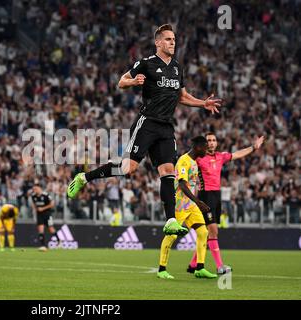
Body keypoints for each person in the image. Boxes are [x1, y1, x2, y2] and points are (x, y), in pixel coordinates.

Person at [67, 24, 221, 236]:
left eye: (174, 39)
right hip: (147, 122)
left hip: (166, 127)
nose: (172, 43)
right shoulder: (146, 63)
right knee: (128, 168)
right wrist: (133, 81)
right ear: (158, 42)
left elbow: (183, 97)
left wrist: (203, 103)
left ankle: (170, 221)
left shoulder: (177, 68)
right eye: (168, 39)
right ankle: (84, 178)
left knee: (168, 172)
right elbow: (121, 82)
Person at [187, 133, 264, 274]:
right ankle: (219, 266)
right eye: (208, 140)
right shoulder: (198, 158)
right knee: (213, 231)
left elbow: (237, 154)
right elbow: (184, 163)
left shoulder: (220, 156)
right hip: (205, 196)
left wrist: (253, 147)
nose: (211, 143)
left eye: (213, 140)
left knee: (207, 233)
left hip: (217, 196)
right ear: (204, 144)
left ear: (216, 143)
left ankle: (193, 265)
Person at [157, 136, 217, 279]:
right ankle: (161, 269)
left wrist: (196, 202)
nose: (206, 151)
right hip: (179, 204)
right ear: (197, 147)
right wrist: (198, 201)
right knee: (171, 235)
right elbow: (183, 185)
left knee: (203, 232)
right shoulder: (184, 161)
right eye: (205, 148)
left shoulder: (194, 162)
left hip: (191, 205)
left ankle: (200, 268)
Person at [30, 183, 59, 251]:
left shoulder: (46, 195)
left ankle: (58, 240)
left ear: (40, 188)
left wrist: (43, 208)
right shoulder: (33, 196)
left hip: (47, 214)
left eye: (36, 189)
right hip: (39, 215)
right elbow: (34, 204)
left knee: (51, 229)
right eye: (34, 189)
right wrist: (35, 208)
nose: (34, 190)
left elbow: (52, 204)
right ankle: (43, 246)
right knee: (40, 230)